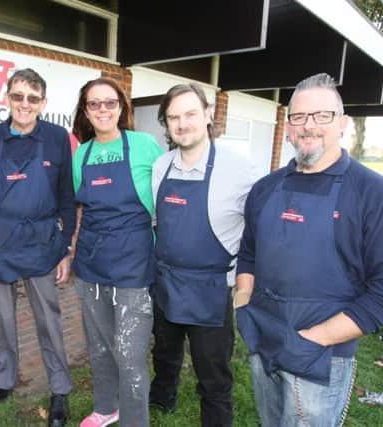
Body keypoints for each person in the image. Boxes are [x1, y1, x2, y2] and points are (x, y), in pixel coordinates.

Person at [235, 73, 383, 426]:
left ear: (343, 124)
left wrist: (311, 340)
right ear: (287, 126)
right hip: (264, 341)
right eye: (299, 117)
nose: (309, 126)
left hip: (321, 356)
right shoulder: (264, 189)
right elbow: (248, 253)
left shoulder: (374, 193)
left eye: (322, 116)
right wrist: (244, 302)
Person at [0, 68, 74, 427]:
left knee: (49, 322)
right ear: (7, 98)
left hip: (41, 245)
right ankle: (3, 382)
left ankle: (59, 391)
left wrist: (65, 246)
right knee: (1, 321)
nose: (24, 104)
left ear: (43, 103)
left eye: (32, 97)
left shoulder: (57, 138)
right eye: (17, 96)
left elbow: (67, 199)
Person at [149, 83, 256, 427]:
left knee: (213, 371)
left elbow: (258, 231)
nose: (182, 123)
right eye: (173, 117)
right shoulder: (160, 166)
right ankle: (162, 399)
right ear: (166, 124)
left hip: (212, 291)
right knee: (164, 354)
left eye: (190, 114)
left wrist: (247, 279)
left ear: (208, 114)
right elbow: (157, 221)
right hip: (166, 284)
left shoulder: (240, 170)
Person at [71, 77, 163, 427]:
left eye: (110, 102)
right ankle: (106, 406)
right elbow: (81, 205)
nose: (103, 110)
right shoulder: (83, 153)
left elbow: (164, 192)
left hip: (134, 266)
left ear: (122, 107)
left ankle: (135, 421)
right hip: (92, 264)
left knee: (130, 353)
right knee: (98, 346)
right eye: (94, 104)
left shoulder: (144, 145)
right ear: (86, 110)